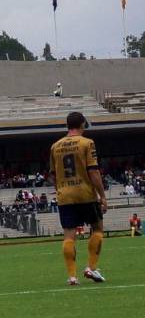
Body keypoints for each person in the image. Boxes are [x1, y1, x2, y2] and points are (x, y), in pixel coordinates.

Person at [51, 112, 107, 285]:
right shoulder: (87, 143)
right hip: (85, 193)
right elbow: (93, 171)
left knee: (69, 235)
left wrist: (60, 191)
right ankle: (91, 267)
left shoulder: (55, 146)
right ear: (82, 124)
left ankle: (72, 276)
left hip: (65, 195)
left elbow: (53, 175)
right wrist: (102, 196)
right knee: (97, 228)